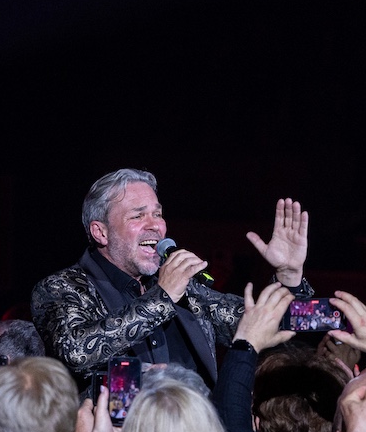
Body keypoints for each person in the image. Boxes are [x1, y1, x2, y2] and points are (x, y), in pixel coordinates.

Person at [30, 168, 313, 397]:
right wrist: (162, 298)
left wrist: (289, 275)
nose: (155, 225)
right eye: (138, 215)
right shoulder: (62, 287)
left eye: (158, 213)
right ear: (100, 232)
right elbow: (77, 351)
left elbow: (269, 324)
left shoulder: (186, 290)